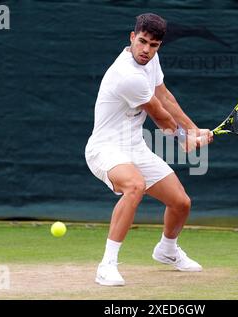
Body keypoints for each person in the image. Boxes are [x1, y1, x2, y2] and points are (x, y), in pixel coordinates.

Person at [85, 13, 213, 286]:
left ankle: (167, 250)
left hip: (135, 148)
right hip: (105, 149)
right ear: (132, 37)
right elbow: (160, 115)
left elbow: (165, 96)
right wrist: (184, 138)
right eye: (142, 42)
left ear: (159, 46)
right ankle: (106, 265)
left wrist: (193, 128)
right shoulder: (126, 75)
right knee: (135, 185)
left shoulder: (150, 61)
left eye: (153, 45)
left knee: (181, 203)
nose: (146, 50)